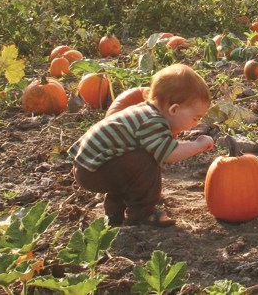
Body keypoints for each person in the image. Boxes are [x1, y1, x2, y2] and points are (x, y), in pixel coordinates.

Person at [68, 64, 215, 227]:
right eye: (196, 118)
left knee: (132, 167)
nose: (196, 124)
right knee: (145, 162)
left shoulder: (145, 111)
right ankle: (142, 214)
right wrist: (198, 145)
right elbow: (169, 154)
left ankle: (114, 215)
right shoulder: (152, 121)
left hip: (92, 166)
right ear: (174, 109)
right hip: (92, 171)